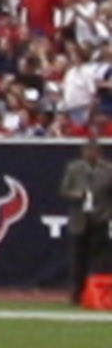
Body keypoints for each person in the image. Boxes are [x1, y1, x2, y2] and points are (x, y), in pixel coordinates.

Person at [63, 124, 112, 307]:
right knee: (78, 259)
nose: (88, 154)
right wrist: (76, 194)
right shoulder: (74, 168)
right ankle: (77, 294)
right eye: (86, 150)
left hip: (100, 218)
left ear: (98, 152)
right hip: (80, 219)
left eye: (92, 150)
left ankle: (101, 294)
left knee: (102, 260)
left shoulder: (108, 170)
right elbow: (64, 189)